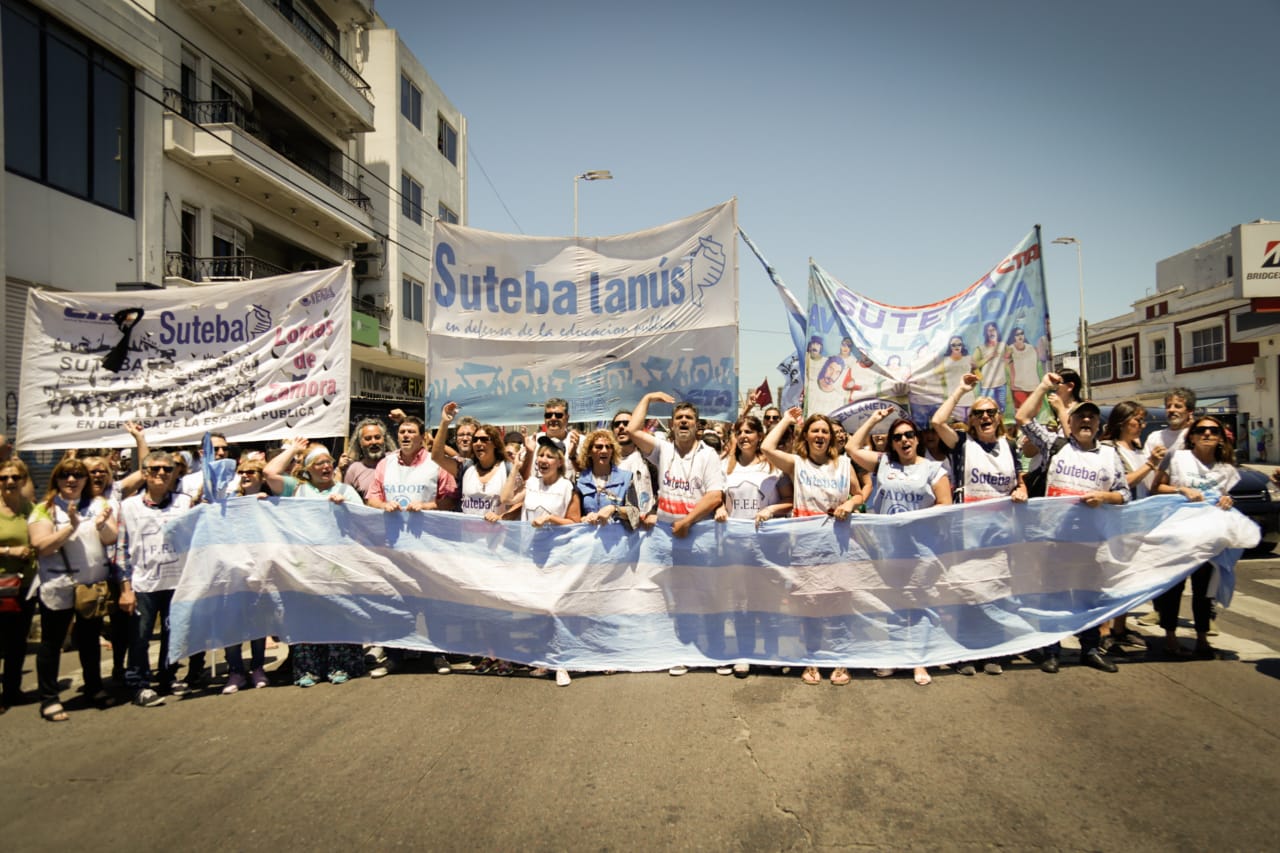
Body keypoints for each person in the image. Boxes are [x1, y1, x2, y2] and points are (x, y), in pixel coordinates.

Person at [1016, 373, 1129, 674]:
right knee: (1052, 595)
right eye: (1080, 417)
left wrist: (1104, 496)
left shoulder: (1110, 455)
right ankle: (1051, 650)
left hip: (1091, 541)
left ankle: (1089, 649)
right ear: (1071, 421)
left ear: (1099, 425)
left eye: (1091, 417)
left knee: (1088, 597)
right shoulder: (1055, 445)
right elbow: (1023, 418)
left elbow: (1125, 494)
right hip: (1054, 539)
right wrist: (1043, 386)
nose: (1086, 421)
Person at [849, 409, 953, 686]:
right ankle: (895, 656)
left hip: (922, 547)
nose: (904, 440)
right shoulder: (883, 463)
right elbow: (851, 448)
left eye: (908, 435)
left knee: (920, 603)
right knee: (892, 602)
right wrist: (874, 420)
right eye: (897, 437)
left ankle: (919, 660)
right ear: (891, 443)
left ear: (917, 439)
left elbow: (945, 504)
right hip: (887, 548)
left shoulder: (933, 469)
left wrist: (913, 519)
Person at [932, 373, 1026, 675]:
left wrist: (1021, 491)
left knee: (996, 589)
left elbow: (1019, 482)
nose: (985, 417)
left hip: (1000, 532)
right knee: (967, 591)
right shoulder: (962, 443)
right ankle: (966, 653)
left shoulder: (1010, 446)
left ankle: (991, 651)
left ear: (998, 417)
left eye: (990, 412)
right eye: (978, 413)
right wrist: (961, 390)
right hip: (967, 533)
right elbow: (937, 422)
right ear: (971, 421)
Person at [627, 392, 726, 676]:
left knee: (709, 595)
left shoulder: (708, 455)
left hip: (699, 535)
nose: (683, 421)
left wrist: (687, 521)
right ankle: (681, 652)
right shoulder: (663, 449)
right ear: (671, 425)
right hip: (669, 537)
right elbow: (632, 430)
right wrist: (647, 398)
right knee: (679, 597)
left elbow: (715, 495)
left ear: (697, 425)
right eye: (679, 418)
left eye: (689, 418)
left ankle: (716, 653)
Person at [763, 407, 858, 685]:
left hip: (838, 544)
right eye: (815, 430)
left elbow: (859, 493)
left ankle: (840, 661)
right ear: (806, 435)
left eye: (825, 431)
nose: (820, 435)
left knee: (839, 602)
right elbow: (767, 447)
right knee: (810, 604)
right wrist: (786, 420)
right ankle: (812, 658)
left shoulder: (844, 463)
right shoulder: (797, 464)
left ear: (831, 437)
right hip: (805, 546)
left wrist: (851, 503)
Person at [263, 439, 367, 687]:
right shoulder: (296, 489)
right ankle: (308, 669)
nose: (326, 467)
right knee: (307, 616)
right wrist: (293, 450)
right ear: (308, 468)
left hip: (337, 565)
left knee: (338, 614)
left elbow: (364, 522)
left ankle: (341, 665)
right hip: (305, 566)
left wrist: (346, 508)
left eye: (328, 462)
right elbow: (269, 473)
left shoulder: (345, 490)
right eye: (319, 463)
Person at [27, 457, 118, 721]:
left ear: (85, 479)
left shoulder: (99, 504)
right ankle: (49, 698)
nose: (71, 480)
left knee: (89, 640)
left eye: (78, 475)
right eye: (65, 475)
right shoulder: (45, 509)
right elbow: (42, 546)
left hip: (90, 587)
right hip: (58, 586)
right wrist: (70, 527)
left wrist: (101, 525)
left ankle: (94, 688)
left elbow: (111, 538)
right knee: (52, 642)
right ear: (56, 479)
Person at [1152, 415, 1239, 659]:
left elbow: (1226, 497)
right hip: (1177, 533)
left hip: (1208, 536)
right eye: (1201, 430)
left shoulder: (1226, 469)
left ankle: (1202, 638)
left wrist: (1227, 501)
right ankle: (1170, 638)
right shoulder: (1177, 458)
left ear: (1220, 438)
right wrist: (1181, 489)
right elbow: (1156, 487)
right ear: (1192, 436)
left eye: (1213, 430)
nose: (1207, 434)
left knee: (1204, 590)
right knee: (1173, 587)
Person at [117, 451, 199, 707]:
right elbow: (121, 549)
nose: (161, 473)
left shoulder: (184, 503)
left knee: (173, 632)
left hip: (176, 582)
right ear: (144, 473)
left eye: (167, 469)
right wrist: (125, 588)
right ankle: (139, 684)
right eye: (155, 469)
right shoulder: (128, 506)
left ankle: (167, 676)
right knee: (140, 637)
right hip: (144, 583)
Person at [717, 414, 794, 676]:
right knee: (740, 601)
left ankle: (772, 651)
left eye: (749, 431)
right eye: (739, 432)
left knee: (768, 599)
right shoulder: (725, 467)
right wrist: (718, 509)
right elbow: (717, 498)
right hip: (735, 545)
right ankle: (744, 652)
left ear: (760, 436)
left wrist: (771, 509)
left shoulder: (773, 467)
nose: (744, 436)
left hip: (768, 544)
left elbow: (791, 501)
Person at [506, 436, 582, 686]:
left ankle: (561, 663)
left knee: (555, 608)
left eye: (550, 456)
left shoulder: (568, 488)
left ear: (560, 462)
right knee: (538, 608)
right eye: (541, 455)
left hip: (556, 556)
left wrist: (550, 519)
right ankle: (545, 658)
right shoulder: (531, 483)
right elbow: (507, 499)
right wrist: (516, 468)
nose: (543, 460)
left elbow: (575, 522)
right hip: (529, 555)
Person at [1136, 388, 1195, 626]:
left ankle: (1207, 615)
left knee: (1203, 564)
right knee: (1162, 563)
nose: (1171, 410)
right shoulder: (1154, 438)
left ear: (1190, 411)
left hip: (1194, 510)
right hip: (1162, 511)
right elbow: (1146, 474)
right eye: (1169, 406)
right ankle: (1160, 609)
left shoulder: (1197, 434)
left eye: (1178, 406)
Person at [221, 459, 272, 694]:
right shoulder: (229, 500)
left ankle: (258, 668)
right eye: (241, 472)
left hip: (259, 568)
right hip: (233, 568)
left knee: (257, 621)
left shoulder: (271, 500)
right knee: (231, 621)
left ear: (261, 476)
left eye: (250, 471)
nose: (244, 475)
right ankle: (236, 671)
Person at [0, 458, 37, 713]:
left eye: (15, 477)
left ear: (23, 480)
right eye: (4, 478)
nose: (10, 482)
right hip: (1, 584)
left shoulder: (30, 508)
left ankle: (12, 690)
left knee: (17, 641)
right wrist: (8, 551)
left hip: (25, 585)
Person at [611, 410, 657, 524]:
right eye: (617, 424)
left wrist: (654, 512)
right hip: (617, 526)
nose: (621, 427)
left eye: (626, 423)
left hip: (647, 526)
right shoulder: (606, 461)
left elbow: (663, 489)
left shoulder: (650, 459)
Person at [342, 417, 393, 500]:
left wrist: (403, 419)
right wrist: (339, 470)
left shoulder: (395, 460)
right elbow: (346, 500)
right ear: (360, 442)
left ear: (384, 439)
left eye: (377, 437)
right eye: (368, 439)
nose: (373, 442)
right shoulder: (353, 470)